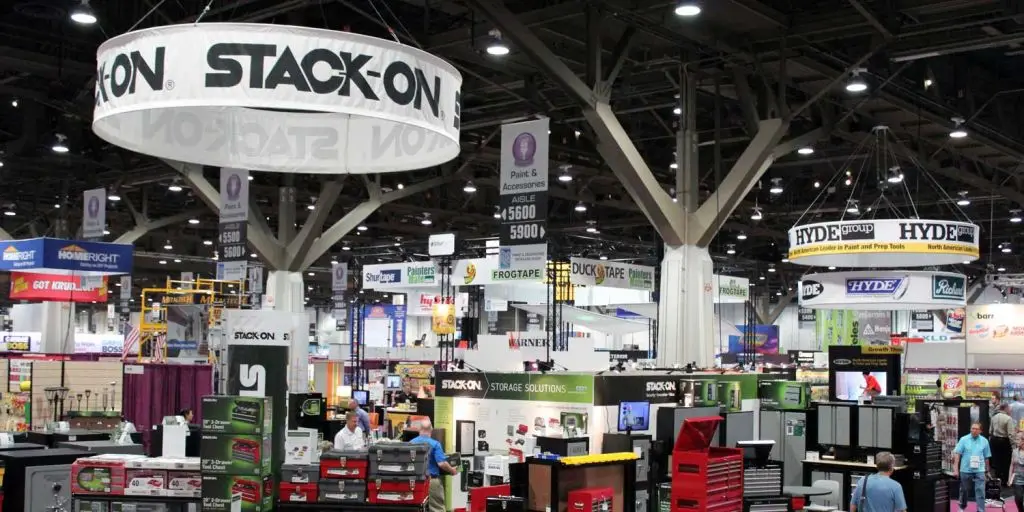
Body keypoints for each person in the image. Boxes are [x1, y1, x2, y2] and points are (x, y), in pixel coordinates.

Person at [411, 419, 458, 512]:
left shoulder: (411, 443)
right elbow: (442, 463)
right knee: (437, 508)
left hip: (414, 482)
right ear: (431, 429)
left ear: (419, 429)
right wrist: (452, 470)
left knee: (418, 508)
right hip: (431, 481)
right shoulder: (435, 444)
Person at [954, 422, 992, 512]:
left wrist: (987, 470)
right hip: (965, 469)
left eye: (976, 429)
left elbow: (986, 457)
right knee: (964, 490)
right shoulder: (964, 439)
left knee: (980, 491)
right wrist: (956, 469)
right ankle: (962, 506)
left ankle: (980, 510)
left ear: (980, 431)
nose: (974, 430)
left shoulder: (984, 441)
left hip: (980, 469)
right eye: (972, 428)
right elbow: (957, 455)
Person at [991, 403, 1015, 484]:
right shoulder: (1008, 418)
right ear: (1006, 409)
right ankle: (1004, 480)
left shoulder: (994, 417)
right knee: (1006, 461)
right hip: (1004, 441)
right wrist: (1013, 446)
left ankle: (997, 478)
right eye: (1009, 408)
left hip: (994, 440)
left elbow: (990, 430)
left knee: (997, 460)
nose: (1010, 410)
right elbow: (1010, 434)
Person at [1008, 433, 1024, 511]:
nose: (1016, 441)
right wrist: (1009, 479)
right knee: (1018, 498)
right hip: (1017, 479)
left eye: (1018, 439)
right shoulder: (1014, 451)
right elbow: (1012, 465)